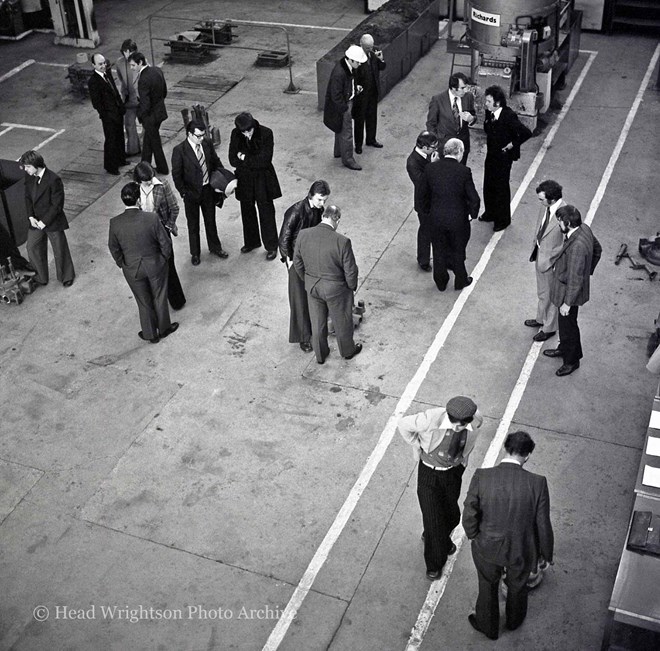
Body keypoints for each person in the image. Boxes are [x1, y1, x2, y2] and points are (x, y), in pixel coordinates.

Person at [463, 431, 554, 641]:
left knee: (487, 584)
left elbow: (469, 511)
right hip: (521, 547)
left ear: (506, 448)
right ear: (528, 455)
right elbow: (543, 523)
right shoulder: (538, 483)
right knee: (518, 584)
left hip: (487, 545)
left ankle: (488, 625)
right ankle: (514, 620)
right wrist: (546, 554)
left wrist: (474, 535)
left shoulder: (482, 476)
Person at [398, 395, 483, 581]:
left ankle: (435, 536)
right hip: (429, 473)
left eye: (461, 425)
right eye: (454, 424)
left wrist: (462, 463)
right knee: (433, 519)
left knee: (452, 515)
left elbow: (472, 437)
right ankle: (434, 564)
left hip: (453, 472)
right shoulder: (430, 419)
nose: (457, 428)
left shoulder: (476, 420)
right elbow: (403, 424)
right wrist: (416, 445)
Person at [108, 182, 178, 344]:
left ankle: (150, 333)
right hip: (155, 264)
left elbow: (113, 248)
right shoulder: (151, 218)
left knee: (143, 301)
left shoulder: (115, 222)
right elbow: (165, 242)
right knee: (159, 296)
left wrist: (123, 264)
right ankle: (164, 328)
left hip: (132, 268)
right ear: (139, 200)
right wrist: (163, 259)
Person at [293, 205, 362, 364]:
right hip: (335, 289)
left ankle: (320, 355)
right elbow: (350, 270)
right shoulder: (342, 241)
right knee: (342, 321)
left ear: (323, 216)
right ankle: (347, 351)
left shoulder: (303, 235)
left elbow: (297, 262)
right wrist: (350, 287)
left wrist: (307, 279)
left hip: (313, 286)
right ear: (336, 219)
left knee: (317, 322)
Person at [543, 205, 601, 376]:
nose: (559, 224)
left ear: (567, 223)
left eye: (560, 222)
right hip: (570, 290)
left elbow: (574, 279)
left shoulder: (577, 247)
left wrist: (567, 303)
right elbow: (598, 249)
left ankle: (572, 361)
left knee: (569, 326)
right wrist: (586, 272)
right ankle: (564, 348)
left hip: (568, 294)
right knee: (565, 324)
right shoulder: (585, 229)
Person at [278, 180, 331, 353]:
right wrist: (289, 261)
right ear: (310, 195)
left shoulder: (317, 210)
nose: (322, 204)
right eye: (319, 200)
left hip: (310, 258)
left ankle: (313, 328)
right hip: (297, 260)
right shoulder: (295, 212)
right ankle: (303, 337)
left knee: (312, 295)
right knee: (299, 300)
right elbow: (284, 238)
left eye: (324, 200)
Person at [421, 138, 480, 291]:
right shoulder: (464, 172)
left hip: (436, 219)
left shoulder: (430, 169)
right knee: (458, 251)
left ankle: (441, 282)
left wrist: (429, 213)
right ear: (459, 152)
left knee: (438, 250)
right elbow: (474, 198)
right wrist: (470, 215)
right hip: (458, 221)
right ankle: (460, 280)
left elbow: (422, 195)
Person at [171, 119, 229, 266]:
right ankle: (195, 253)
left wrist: (223, 180)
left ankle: (215, 247)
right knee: (193, 225)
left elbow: (215, 162)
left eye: (203, 135)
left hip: (207, 190)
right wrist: (184, 192)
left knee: (211, 221)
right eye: (198, 136)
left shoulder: (206, 144)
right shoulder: (179, 151)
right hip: (191, 193)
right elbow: (176, 175)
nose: (202, 138)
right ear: (189, 134)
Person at [228, 112, 281, 261]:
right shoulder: (236, 133)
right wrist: (250, 160)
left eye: (249, 131)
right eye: (243, 132)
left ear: (253, 125)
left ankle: (271, 246)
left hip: (262, 179)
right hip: (245, 179)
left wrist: (243, 157)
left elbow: (265, 160)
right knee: (247, 210)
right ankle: (251, 242)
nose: (246, 134)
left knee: (266, 211)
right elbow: (232, 158)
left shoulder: (266, 133)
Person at [19, 150, 75, 287]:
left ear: (36, 165)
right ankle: (41, 277)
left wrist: (44, 222)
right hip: (36, 220)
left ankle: (66, 276)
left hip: (52, 221)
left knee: (59, 249)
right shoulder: (30, 177)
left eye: (27, 167)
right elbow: (27, 198)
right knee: (32, 246)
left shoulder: (53, 179)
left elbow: (57, 205)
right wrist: (30, 216)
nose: (25, 170)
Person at [480, 85, 532, 232]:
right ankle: (490, 212)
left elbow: (526, 133)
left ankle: (502, 220)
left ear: (497, 103)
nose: (486, 104)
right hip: (491, 155)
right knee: (488, 184)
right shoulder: (489, 113)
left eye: (489, 101)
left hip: (503, 158)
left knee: (501, 188)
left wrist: (512, 145)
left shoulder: (508, 116)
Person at [134, 161, 185, 310]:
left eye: (151, 178)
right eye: (146, 181)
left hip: (162, 230)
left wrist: (167, 227)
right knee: (151, 268)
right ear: (138, 180)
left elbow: (174, 208)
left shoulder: (162, 185)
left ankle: (176, 300)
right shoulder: (135, 189)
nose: (150, 182)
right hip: (145, 233)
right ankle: (157, 302)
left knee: (169, 265)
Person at [524, 180, 565, 342]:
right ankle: (540, 318)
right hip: (540, 256)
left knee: (551, 296)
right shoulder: (547, 208)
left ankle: (549, 328)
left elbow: (566, 242)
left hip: (550, 262)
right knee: (543, 293)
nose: (539, 202)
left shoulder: (565, 214)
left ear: (553, 199)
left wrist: (552, 260)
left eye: (542, 199)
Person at [323, 44, 367, 171]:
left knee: (339, 128)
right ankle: (348, 159)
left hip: (346, 102)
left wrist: (354, 89)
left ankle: (338, 152)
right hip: (344, 105)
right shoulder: (340, 73)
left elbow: (346, 85)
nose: (359, 65)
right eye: (358, 62)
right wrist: (344, 109)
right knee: (347, 133)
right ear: (351, 60)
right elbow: (335, 95)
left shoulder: (346, 67)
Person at [129, 52, 169, 175]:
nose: (132, 68)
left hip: (150, 117)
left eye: (133, 65)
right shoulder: (157, 70)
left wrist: (140, 115)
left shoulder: (143, 80)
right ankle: (144, 166)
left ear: (140, 63)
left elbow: (145, 104)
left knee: (155, 143)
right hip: (160, 112)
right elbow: (164, 91)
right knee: (148, 141)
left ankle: (163, 168)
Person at [88, 53, 126, 176]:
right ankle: (111, 166)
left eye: (104, 63)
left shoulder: (107, 74)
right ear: (93, 65)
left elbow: (114, 90)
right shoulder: (93, 82)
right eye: (100, 64)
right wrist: (107, 114)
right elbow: (96, 103)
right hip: (108, 116)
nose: (103, 66)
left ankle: (121, 159)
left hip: (117, 112)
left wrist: (121, 106)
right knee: (111, 140)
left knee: (120, 136)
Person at [426, 72, 477, 165]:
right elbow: (430, 124)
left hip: (462, 145)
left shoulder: (468, 97)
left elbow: (473, 114)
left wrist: (471, 119)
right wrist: (435, 145)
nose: (465, 90)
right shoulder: (437, 100)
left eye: (466, 87)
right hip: (444, 146)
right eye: (462, 88)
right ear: (453, 88)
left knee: (460, 174)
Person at [406, 131, 438, 272]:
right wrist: (433, 166)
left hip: (436, 198)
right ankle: (423, 260)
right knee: (426, 231)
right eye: (433, 147)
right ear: (424, 147)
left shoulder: (429, 154)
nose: (435, 150)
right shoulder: (412, 162)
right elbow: (421, 183)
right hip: (424, 202)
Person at [352, 33, 386, 154]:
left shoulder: (374, 52)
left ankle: (371, 139)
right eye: (367, 48)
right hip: (361, 94)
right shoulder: (356, 57)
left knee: (372, 117)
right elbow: (353, 74)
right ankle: (358, 144)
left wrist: (381, 58)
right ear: (361, 45)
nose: (370, 49)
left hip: (373, 91)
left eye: (371, 47)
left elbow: (382, 67)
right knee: (359, 119)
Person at [114, 38, 140, 157]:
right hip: (128, 99)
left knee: (146, 124)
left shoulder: (142, 61)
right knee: (129, 125)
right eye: (126, 51)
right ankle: (133, 149)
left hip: (141, 99)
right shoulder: (119, 63)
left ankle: (146, 147)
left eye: (131, 52)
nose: (128, 54)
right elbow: (121, 79)